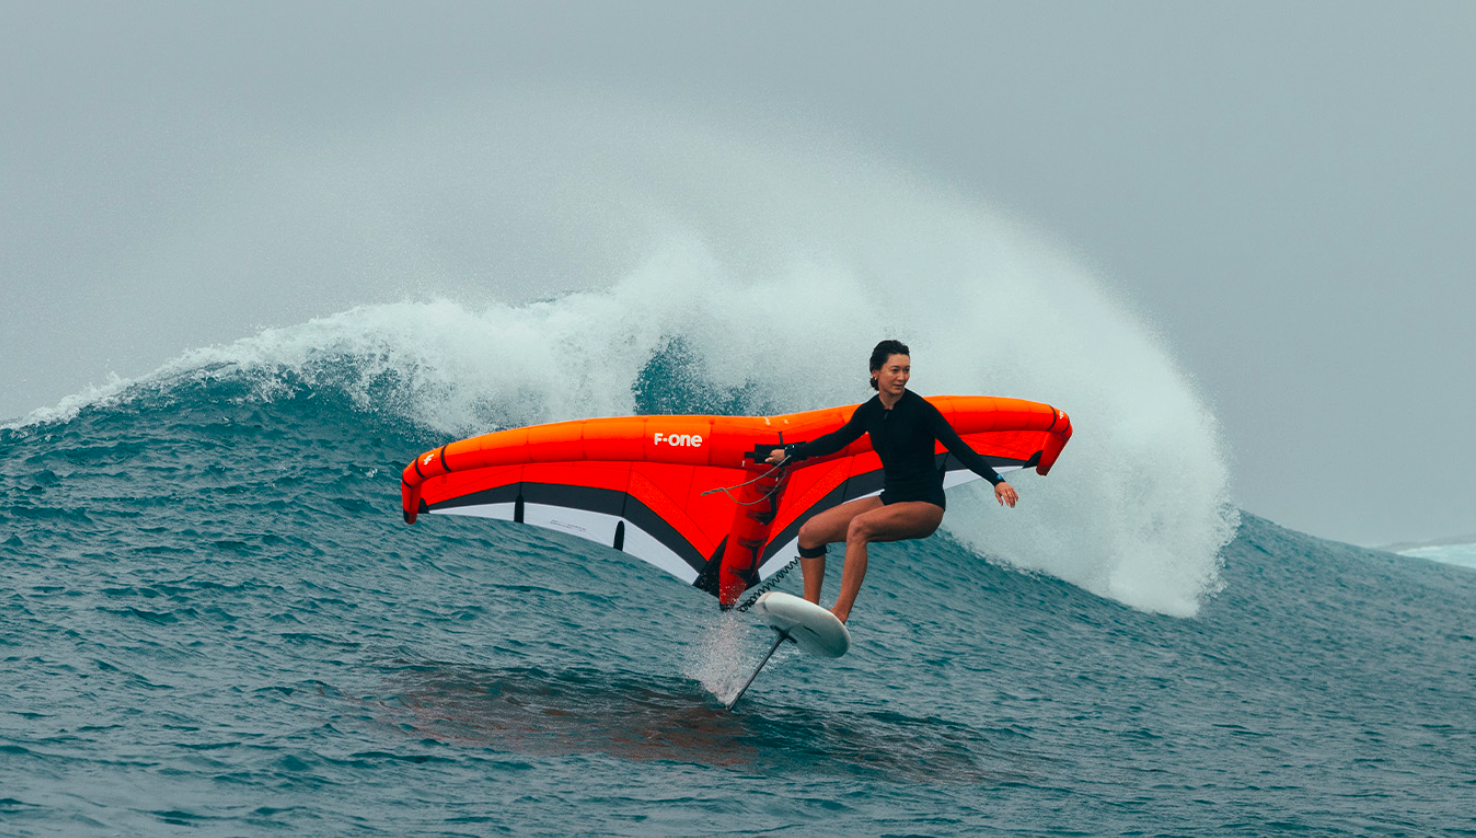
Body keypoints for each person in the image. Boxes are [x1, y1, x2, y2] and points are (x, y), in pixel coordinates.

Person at [766, 340, 1018, 623]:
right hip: (891, 498)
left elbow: (958, 447)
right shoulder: (869, 412)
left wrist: (996, 480)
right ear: (876, 372)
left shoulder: (921, 410)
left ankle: (839, 614)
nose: (902, 377)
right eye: (895, 370)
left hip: (925, 504)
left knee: (859, 527)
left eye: (906, 370)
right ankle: (809, 611)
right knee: (810, 532)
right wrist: (791, 453)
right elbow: (836, 441)